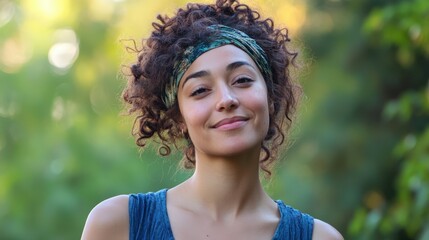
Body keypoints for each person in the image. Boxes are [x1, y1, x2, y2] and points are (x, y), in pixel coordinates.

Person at [81, 0, 343, 239]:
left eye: (242, 80)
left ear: (270, 98)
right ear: (179, 117)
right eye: (200, 90)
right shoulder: (119, 225)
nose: (226, 99)